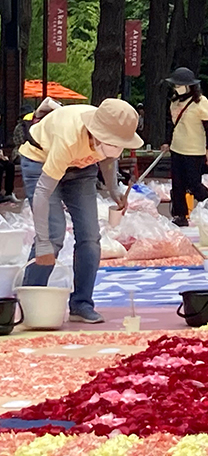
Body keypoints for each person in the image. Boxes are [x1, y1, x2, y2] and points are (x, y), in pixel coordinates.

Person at [20, 99, 142, 323]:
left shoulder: (111, 132)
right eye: (111, 142)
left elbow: (108, 158)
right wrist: (43, 243)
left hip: (81, 168)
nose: (116, 148)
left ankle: (81, 303)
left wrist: (113, 189)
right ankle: (31, 304)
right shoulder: (69, 138)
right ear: (97, 134)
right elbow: (42, 193)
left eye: (120, 144)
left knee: (90, 236)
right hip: (41, 161)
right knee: (53, 235)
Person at [161, 67, 208, 227]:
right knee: (177, 184)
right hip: (177, 147)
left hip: (194, 149)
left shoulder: (201, 102)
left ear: (190, 86)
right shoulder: (174, 101)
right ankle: (180, 215)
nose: (177, 88)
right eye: (175, 85)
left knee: (194, 184)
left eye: (180, 85)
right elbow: (172, 125)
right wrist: (167, 142)